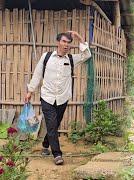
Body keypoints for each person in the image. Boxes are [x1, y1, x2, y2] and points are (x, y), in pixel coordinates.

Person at [24, 31, 91, 165]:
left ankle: (45, 144)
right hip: (47, 97)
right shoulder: (46, 57)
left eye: (69, 43)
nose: (66, 45)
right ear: (58, 42)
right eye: (64, 41)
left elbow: (87, 55)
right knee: (52, 124)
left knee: (54, 125)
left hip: (62, 98)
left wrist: (79, 37)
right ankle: (57, 154)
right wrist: (30, 90)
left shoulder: (71, 59)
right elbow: (37, 74)